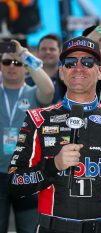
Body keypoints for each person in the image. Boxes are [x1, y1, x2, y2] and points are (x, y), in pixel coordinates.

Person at [8, 36, 101, 233]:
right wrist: (53, 166)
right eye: (71, 63)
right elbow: (15, 182)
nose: (79, 68)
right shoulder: (38, 119)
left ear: (100, 72)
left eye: (88, 62)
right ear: (62, 72)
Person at [1, 40, 54, 233]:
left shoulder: (33, 93)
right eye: (7, 62)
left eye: (17, 63)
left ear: (26, 68)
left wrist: (24, 54)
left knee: (30, 230)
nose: (12, 67)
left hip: (26, 174)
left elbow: (49, 89)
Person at [25, 34, 66, 103]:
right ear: (37, 53)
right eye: (43, 49)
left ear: (60, 53)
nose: (47, 52)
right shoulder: (26, 81)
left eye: (52, 49)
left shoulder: (69, 80)